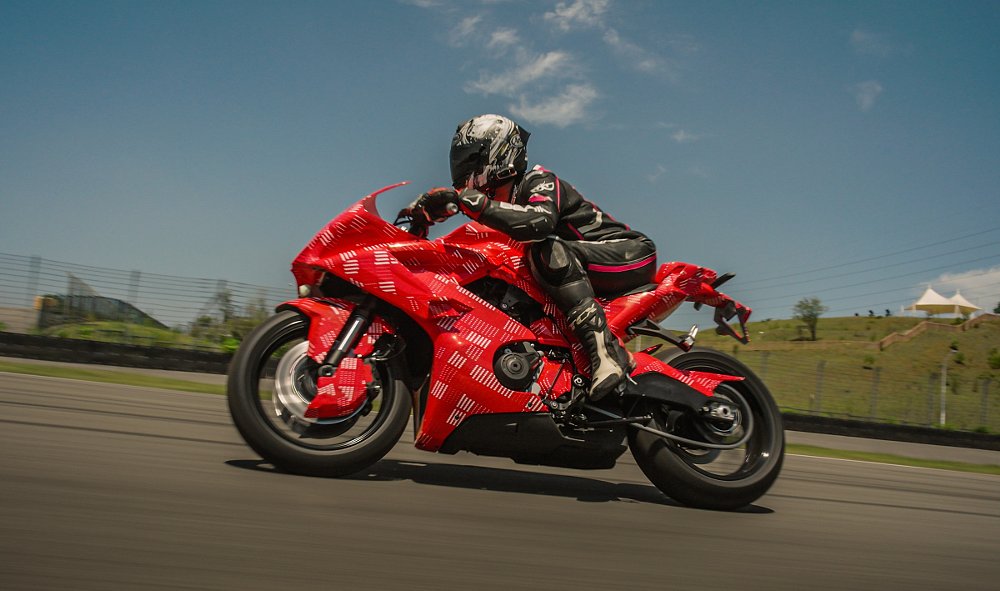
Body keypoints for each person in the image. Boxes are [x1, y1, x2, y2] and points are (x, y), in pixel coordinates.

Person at [407, 114, 657, 400]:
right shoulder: (503, 205)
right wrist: (422, 217)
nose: (464, 172)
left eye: (471, 162)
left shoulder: (539, 180)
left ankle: (608, 355)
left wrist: (471, 202)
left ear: (498, 154)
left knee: (546, 251)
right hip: (585, 269)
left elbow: (541, 221)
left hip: (629, 254)